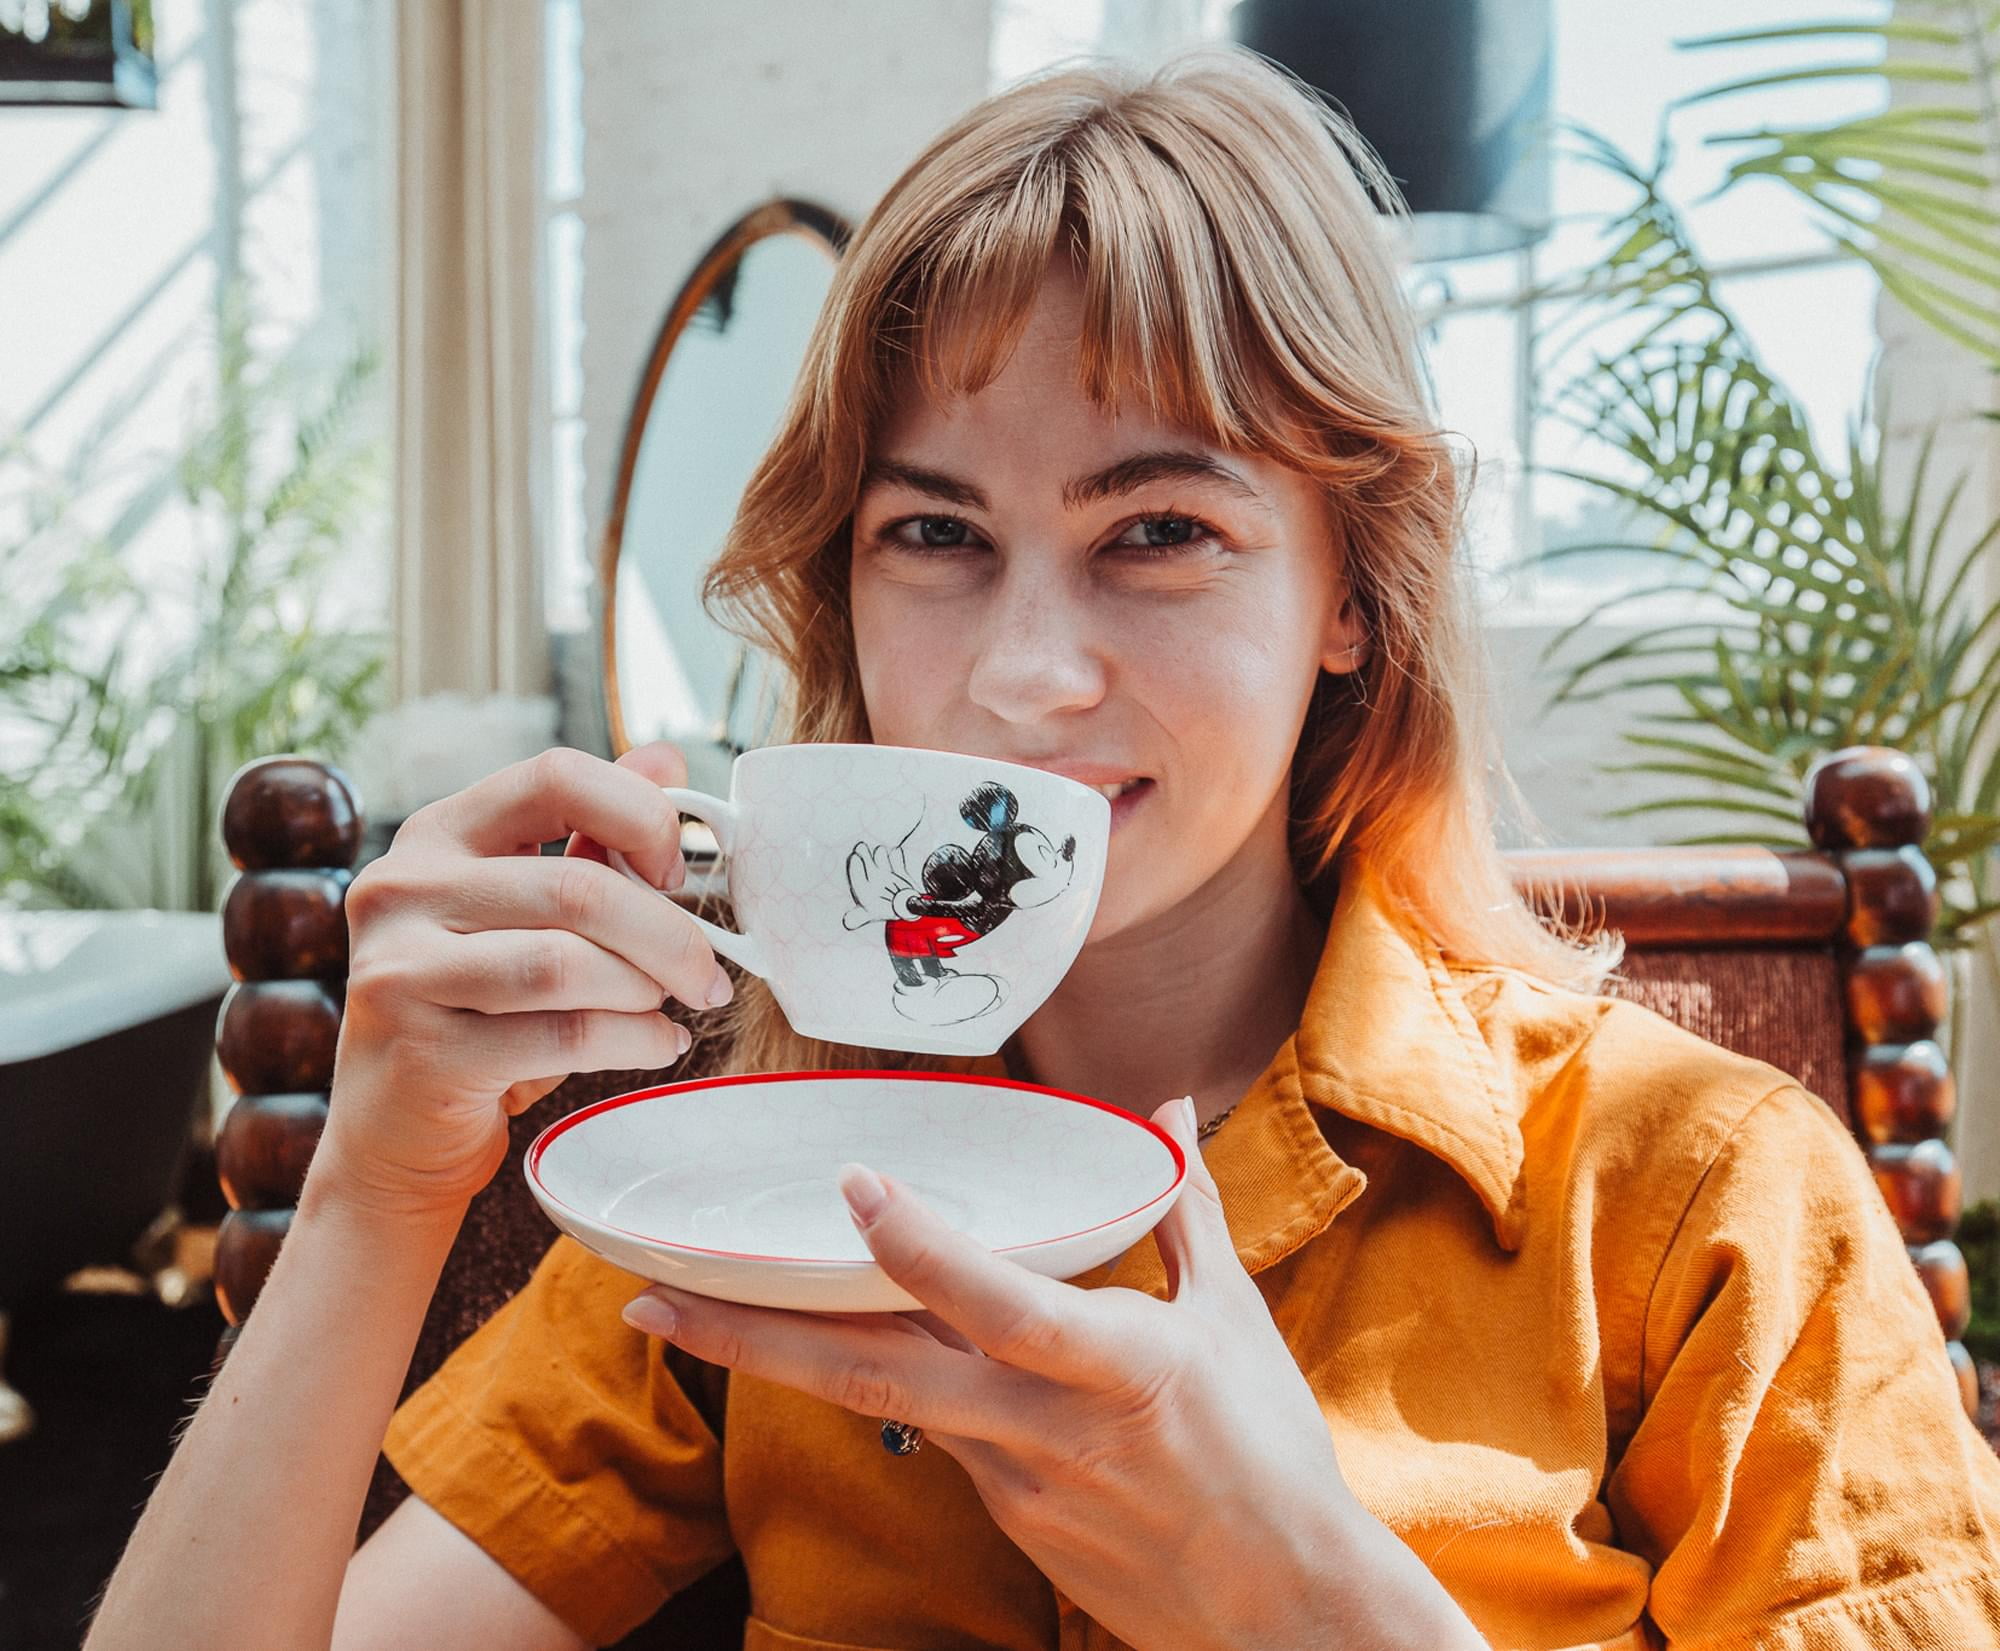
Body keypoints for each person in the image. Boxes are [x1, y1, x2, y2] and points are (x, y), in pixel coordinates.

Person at [88, 49, 2000, 1651]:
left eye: (1157, 532)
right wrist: (374, 1192)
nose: (1024, 677)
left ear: (1354, 593)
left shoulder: (1696, 1201)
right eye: (935, 535)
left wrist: (1317, 1606)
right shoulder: (758, 1187)